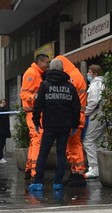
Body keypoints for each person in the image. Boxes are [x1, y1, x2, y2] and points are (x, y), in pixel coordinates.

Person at [28, 58, 80, 194]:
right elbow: (76, 108)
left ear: (50, 69)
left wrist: (36, 122)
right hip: (65, 126)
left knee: (43, 153)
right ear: (63, 70)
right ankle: (58, 182)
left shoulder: (45, 85)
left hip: (49, 125)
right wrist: (75, 125)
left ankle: (38, 181)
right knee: (61, 153)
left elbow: (38, 106)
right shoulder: (70, 87)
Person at [56, 55, 88, 186]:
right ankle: (76, 172)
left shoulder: (72, 77)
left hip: (75, 116)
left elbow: (69, 99)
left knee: (74, 145)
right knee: (72, 146)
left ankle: (79, 173)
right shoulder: (74, 74)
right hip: (76, 115)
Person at [20, 53, 49, 179]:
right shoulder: (32, 73)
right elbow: (24, 93)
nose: (48, 65)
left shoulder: (36, 73)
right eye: (46, 62)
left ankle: (29, 169)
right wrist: (35, 98)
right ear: (40, 62)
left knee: (34, 141)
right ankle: (35, 172)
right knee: (37, 140)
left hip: (34, 112)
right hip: (32, 112)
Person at [83, 64, 105, 179]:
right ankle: (100, 167)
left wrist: (85, 112)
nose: (88, 74)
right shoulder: (101, 83)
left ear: (95, 73)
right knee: (99, 141)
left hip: (96, 114)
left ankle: (95, 168)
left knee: (88, 140)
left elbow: (93, 101)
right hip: (102, 114)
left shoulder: (95, 84)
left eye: (89, 72)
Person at [0, 99, 10, 163]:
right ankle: (0, 158)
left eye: (5, 102)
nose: (4, 104)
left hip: (4, 130)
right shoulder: (1, 110)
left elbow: (7, 122)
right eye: (3, 103)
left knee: (2, 144)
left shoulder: (5, 111)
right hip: (0, 130)